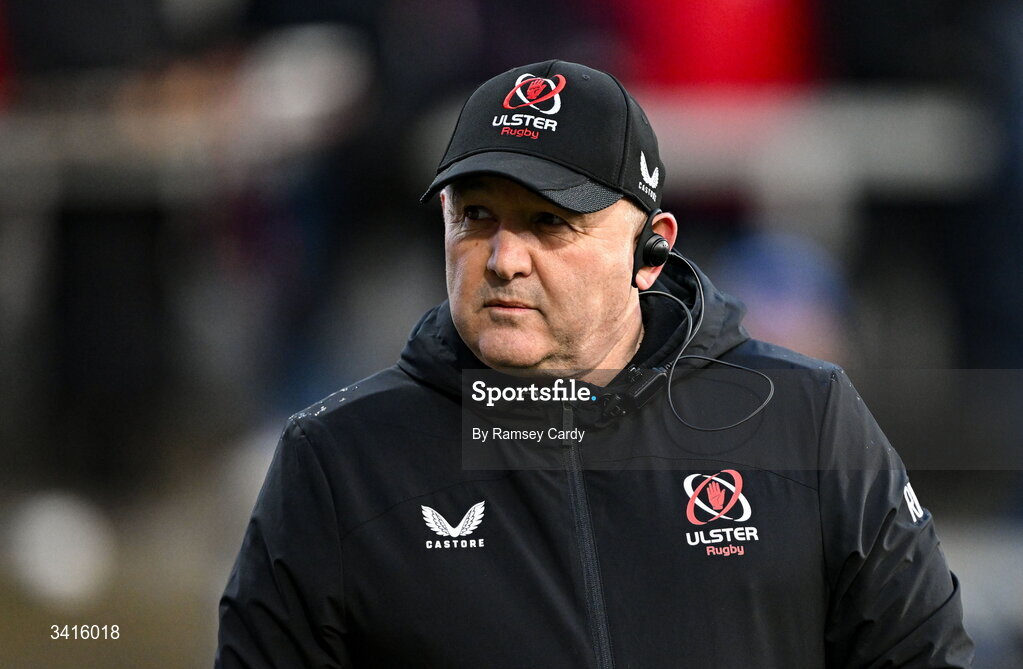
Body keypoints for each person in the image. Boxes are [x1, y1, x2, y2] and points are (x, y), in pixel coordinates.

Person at [216, 60, 973, 668]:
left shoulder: (803, 421)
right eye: (475, 216)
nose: (504, 259)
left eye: (550, 222)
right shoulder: (339, 461)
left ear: (652, 250)